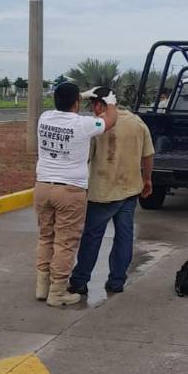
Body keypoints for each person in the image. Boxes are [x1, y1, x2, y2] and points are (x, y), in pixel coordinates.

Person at [34, 83, 118, 306]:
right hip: (70, 190)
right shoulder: (84, 124)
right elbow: (110, 120)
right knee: (65, 243)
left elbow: (66, 101)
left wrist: (77, 95)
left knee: (46, 237)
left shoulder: (44, 118)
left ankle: (42, 287)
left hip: (43, 186)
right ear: (77, 103)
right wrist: (110, 100)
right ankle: (58, 292)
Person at [68, 98, 155, 295]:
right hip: (130, 190)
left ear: (100, 105)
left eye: (93, 107)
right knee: (124, 236)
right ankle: (117, 281)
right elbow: (148, 154)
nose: (92, 111)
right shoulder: (138, 123)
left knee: (92, 237)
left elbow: (86, 157)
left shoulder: (97, 127)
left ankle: (80, 280)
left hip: (102, 192)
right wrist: (147, 179)